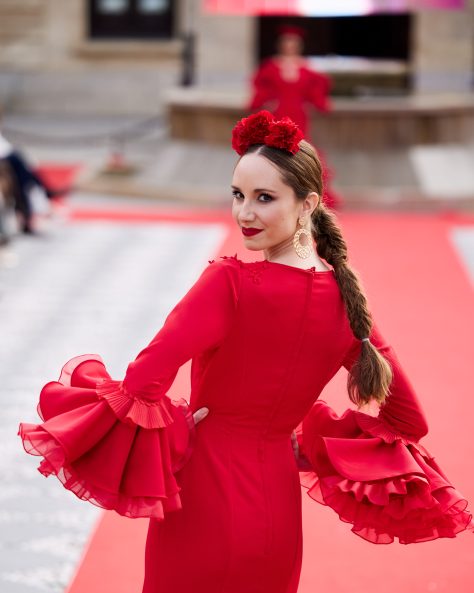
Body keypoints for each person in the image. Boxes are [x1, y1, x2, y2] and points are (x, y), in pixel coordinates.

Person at [18, 111, 472, 593]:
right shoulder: (348, 303)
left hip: (202, 501)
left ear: (307, 204)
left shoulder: (229, 283)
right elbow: (409, 421)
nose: (245, 213)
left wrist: (182, 428)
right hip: (276, 511)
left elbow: (141, 383)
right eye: (238, 195)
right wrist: (310, 443)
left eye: (264, 198)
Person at [248, 24, 341, 209]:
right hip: (278, 114)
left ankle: (305, 193)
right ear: (281, 44)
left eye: (293, 43)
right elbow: (259, 89)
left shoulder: (307, 68)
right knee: (275, 153)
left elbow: (318, 91)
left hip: (299, 115)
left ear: (299, 45)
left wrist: (315, 102)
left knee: (301, 152)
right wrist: (266, 102)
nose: (290, 46)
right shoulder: (271, 66)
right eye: (287, 42)